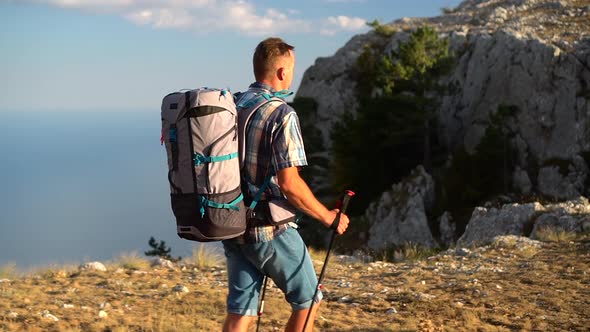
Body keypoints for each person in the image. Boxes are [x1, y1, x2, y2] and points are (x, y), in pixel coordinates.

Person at [221, 37, 350, 332]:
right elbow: (290, 184)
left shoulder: (234, 105)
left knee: (241, 312)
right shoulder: (282, 114)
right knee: (308, 301)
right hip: (269, 230)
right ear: (282, 72)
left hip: (231, 224)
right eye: (291, 68)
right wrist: (329, 217)